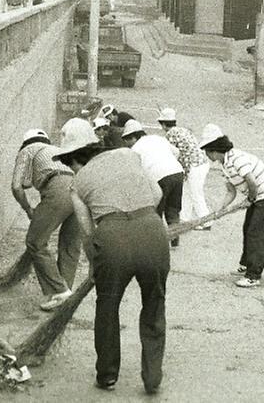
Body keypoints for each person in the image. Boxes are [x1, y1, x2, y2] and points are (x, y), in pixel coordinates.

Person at [53, 118, 168, 395]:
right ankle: (152, 378)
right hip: (153, 232)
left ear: (73, 159)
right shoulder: (129, 156)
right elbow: (158, 192)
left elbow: (87, 231)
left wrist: (95, 264)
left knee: (107, 308)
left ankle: (107, 376)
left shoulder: (78, 182)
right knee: (153, 306)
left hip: (112, 239)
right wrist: (140, 216)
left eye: (69, 163)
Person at [199, 123, 264, 288]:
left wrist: (251, 199)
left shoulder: (237, 158)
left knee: (257, 234)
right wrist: (220, 209)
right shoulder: (224, 165)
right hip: (258, 198)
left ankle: (253, 275)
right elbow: (231, 191)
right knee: (248, 228)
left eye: (207, 151)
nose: (206, 154)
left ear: (215, 149)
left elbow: (252, 181)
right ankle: (246, 265)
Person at [11, 129, 82, 311]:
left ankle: (59, 291)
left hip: (59, 189)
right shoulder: (54, 150)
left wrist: (28, 209)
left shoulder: (27, 150)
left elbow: (17, 187)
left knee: (35, 242)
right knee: (70, 244)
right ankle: (65, 292)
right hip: (80, 188)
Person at [121, 120, 185, 248]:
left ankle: (158, 242)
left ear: (133, 137)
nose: (127, 144)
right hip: (177, 172)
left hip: (159, 177)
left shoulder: (135, 149)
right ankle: (174, 239)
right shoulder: (158, 138)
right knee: (173, 209)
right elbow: (177, 152)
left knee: (157, 210)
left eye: (127, 140)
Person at [157, 108, 211, 229]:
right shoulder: (183, 130)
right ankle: (185, 219)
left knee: (196, 194)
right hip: (200, 163)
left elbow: (171, 154)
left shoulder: (169, 135)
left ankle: (207, 221)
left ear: (164, 124)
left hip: (194, 166)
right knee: (187, 192)